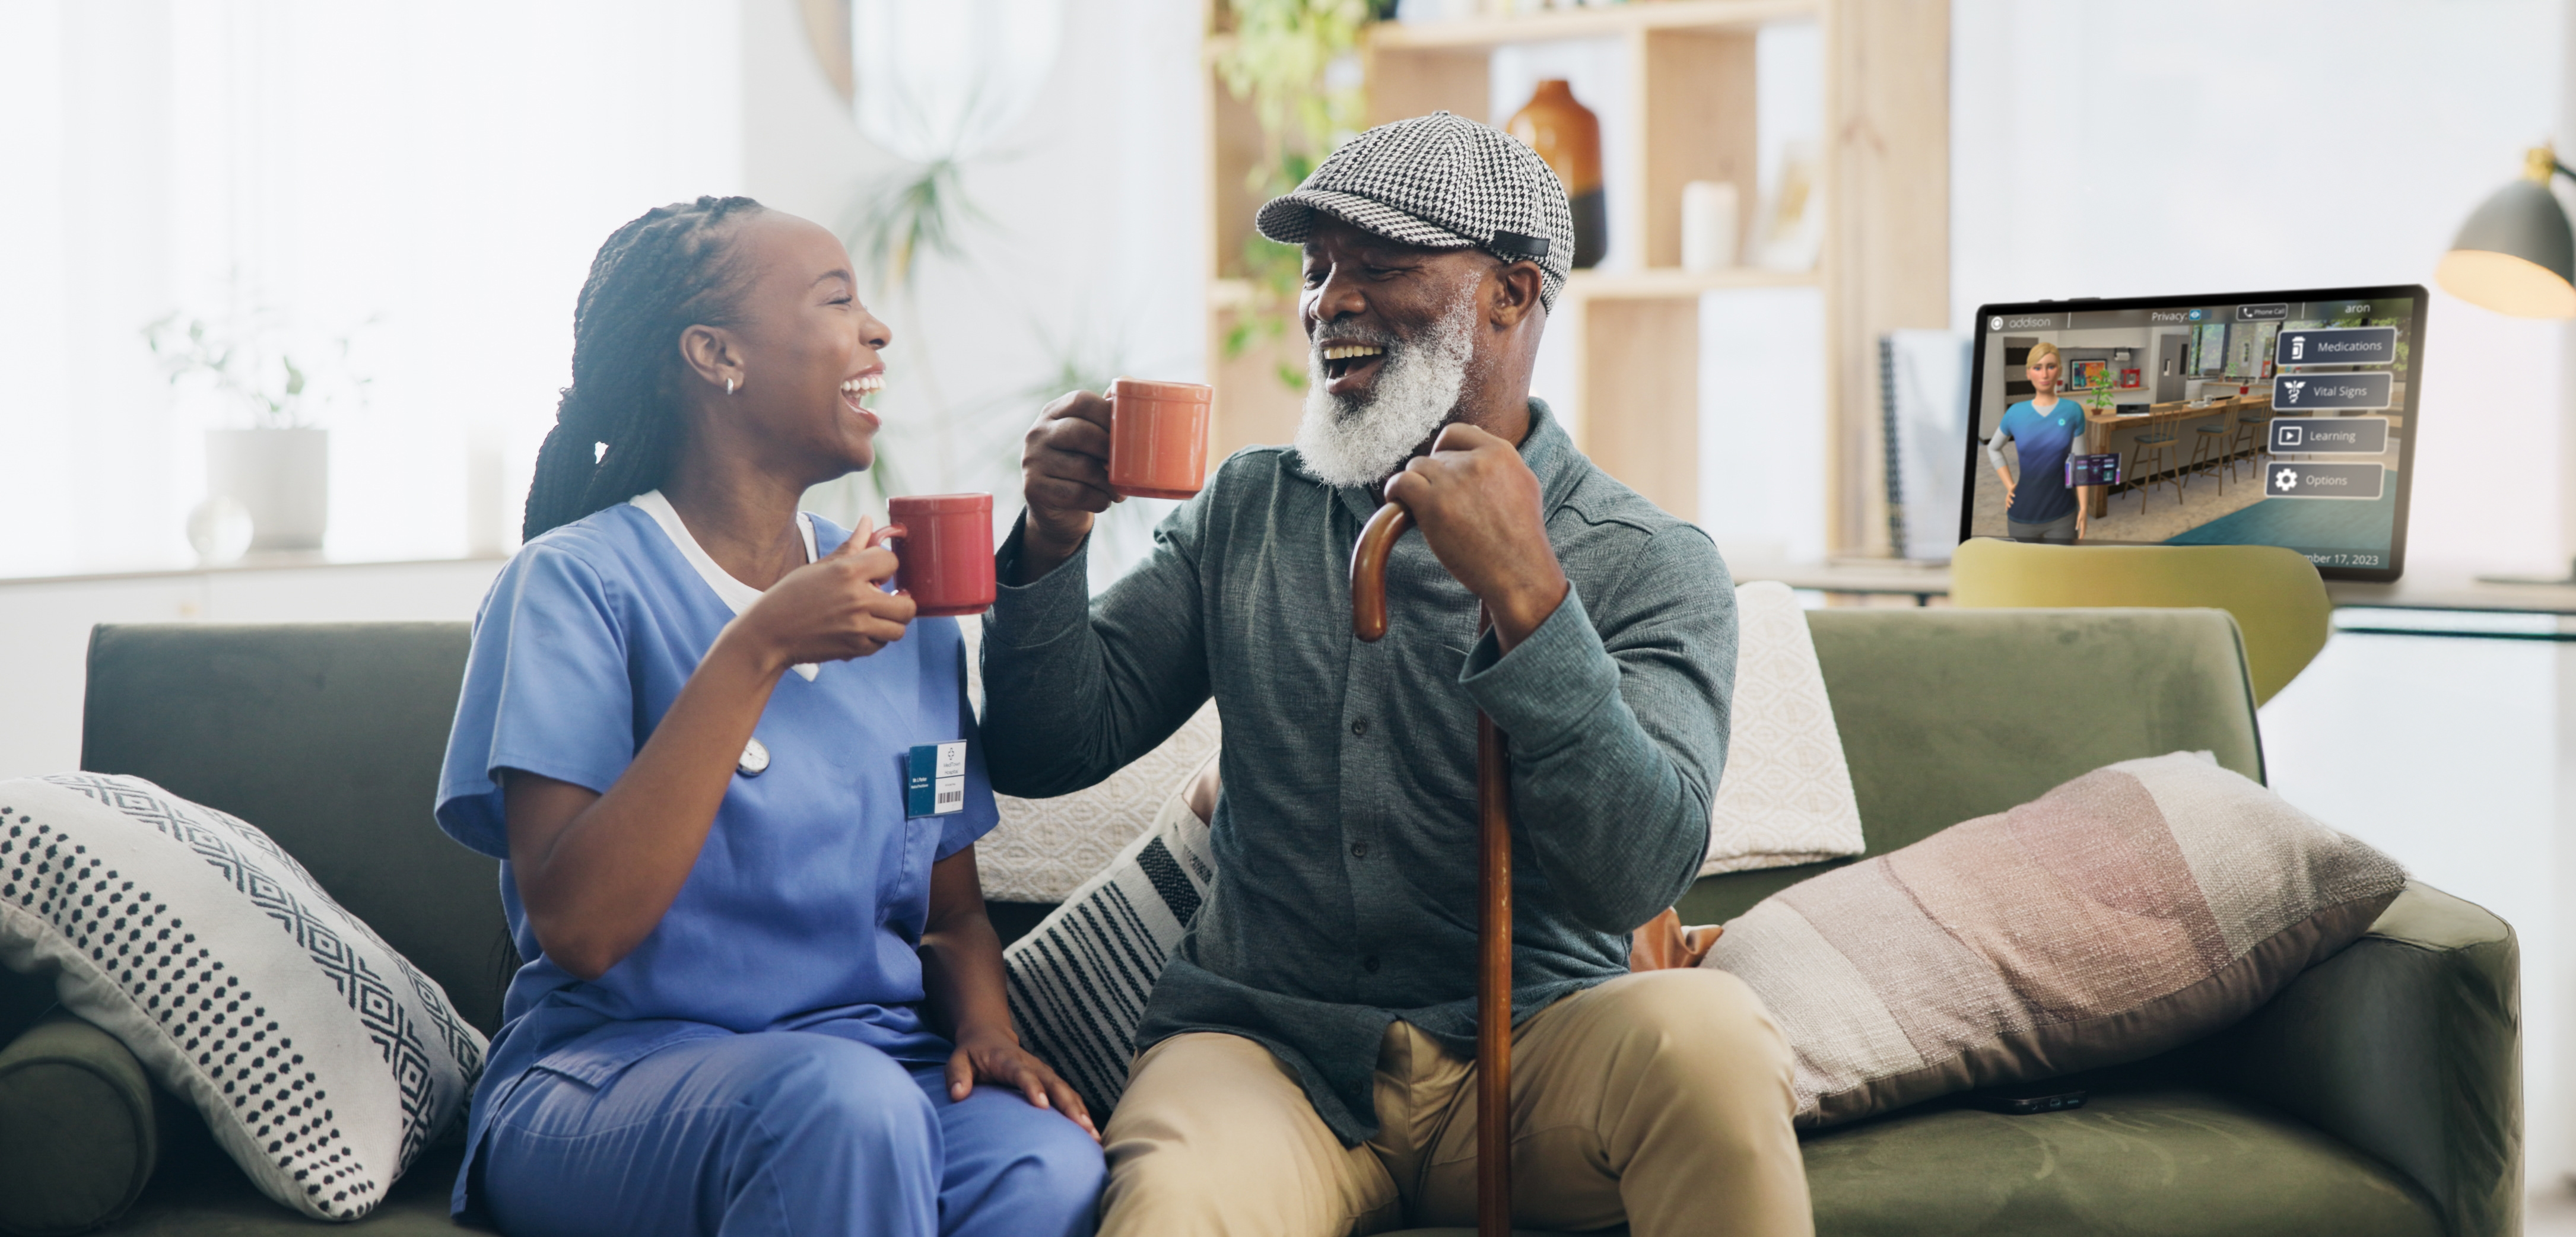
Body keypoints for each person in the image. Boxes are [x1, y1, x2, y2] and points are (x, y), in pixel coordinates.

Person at [983, 112, 1807, 1237]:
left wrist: (1532, 604)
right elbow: (1046, 749)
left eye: (1383, 265)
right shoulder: (1248, 509)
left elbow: (1636, 871)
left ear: (1510, 294)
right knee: (1177, 1201)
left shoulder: (1643, 560)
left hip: (1533, 1049)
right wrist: (1050, 543)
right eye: (1318, 270)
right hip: (1266, 1058)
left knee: (1712, 1042)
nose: (1329, 301)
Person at [432, 196, 1107, 1237]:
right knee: (843, 1110)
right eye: (838, 300)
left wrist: (986, 1030)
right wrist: (758, 648)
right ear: (716, 355)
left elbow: (949, 912)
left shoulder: (901, 605)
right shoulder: (570, 587)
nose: (876, 330)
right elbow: (578, 927)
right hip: (614, 1074)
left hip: (873, 1066)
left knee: (1042, 1165)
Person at [1986, 339, 2091, 542]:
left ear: (2059, 371)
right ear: (2028, 373)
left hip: (2064, 514)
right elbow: (1993, 448)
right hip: (2022, 515)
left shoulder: (2073, 411)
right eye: (2037, 368)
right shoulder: (2015, 413)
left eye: (2051, 367)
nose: (2044, 375)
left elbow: (2081, 463)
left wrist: (2084, 507)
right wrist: (2009, 485)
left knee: (2062, 570)